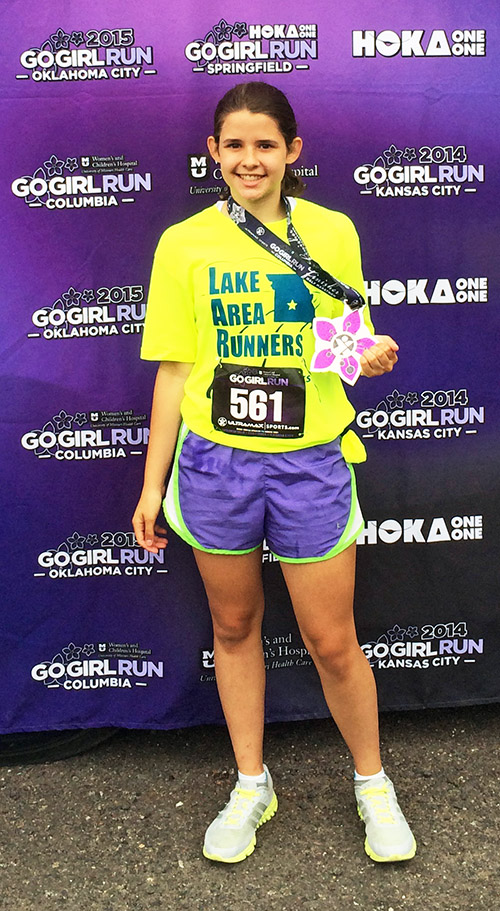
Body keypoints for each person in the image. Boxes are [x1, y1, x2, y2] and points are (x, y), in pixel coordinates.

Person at [133, 81, 416, 865]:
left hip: (309, 460)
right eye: (235, 145)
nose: (249, 159)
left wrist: (367, 352)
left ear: (292, 151)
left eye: (265, 144)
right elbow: (174, 369)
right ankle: (251, 782)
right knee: (233, 627)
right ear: (213, 152)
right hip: (215, 464)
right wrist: (153, 484)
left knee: (332, 639)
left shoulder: (332, 230)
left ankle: (373, 783)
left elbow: (344, 339)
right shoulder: (183, 243)